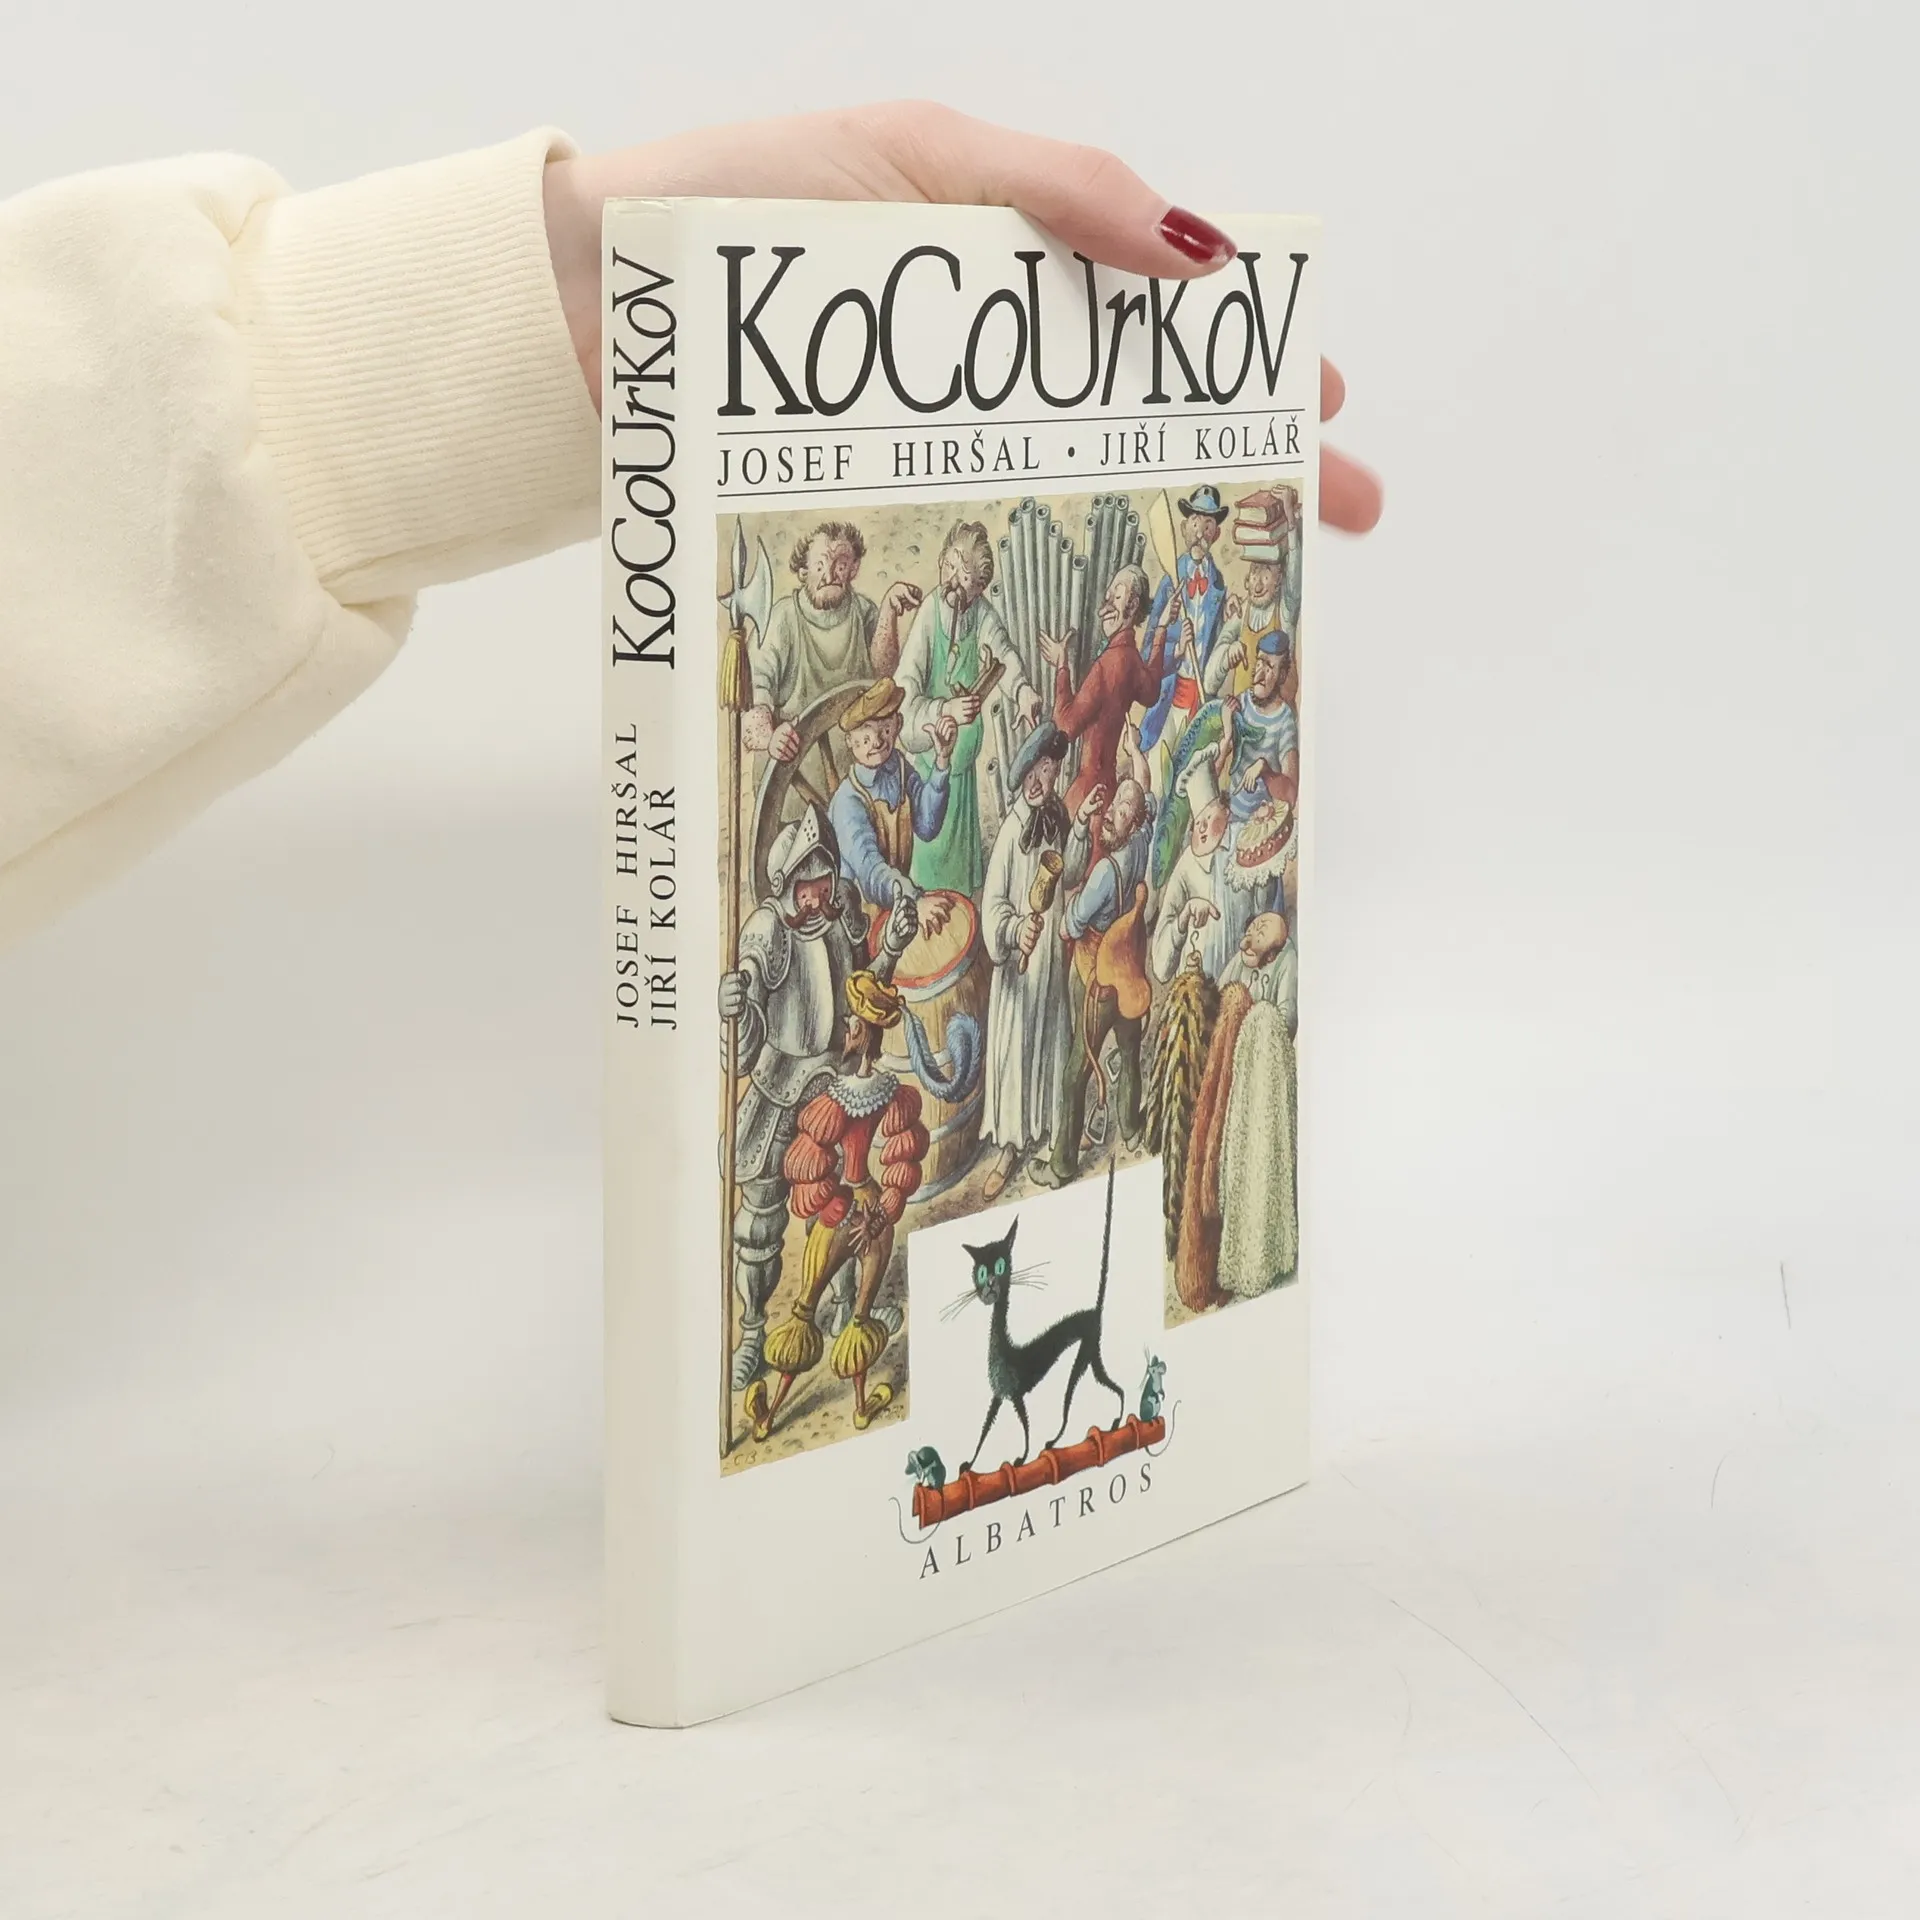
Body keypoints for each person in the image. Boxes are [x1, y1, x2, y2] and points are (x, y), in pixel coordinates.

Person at [0, 105, 1379, 951]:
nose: (854, 567)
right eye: (842, 557)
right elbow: (881, 700)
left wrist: (582, 278)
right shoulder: (881, 665)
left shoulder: (1072, 656)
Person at [717, 807, 916, 1389]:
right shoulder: (766, 931)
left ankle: (841, 1304)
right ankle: (752, 1332)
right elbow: (743, 1040)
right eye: (808, 885)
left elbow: (861, 989)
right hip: (780, 1089)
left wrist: (890, 949)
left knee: (845, 1203)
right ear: (786, 884)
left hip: (835, 1084)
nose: (819, 895)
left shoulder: (842, 909)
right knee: (761, 1219)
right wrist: (735, 1005)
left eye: (824, 881)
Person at [747, 971, 930, 1442]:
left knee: (805, 1309)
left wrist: (833, 1206)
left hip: (842, 1213)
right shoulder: (894, 1093)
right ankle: (861, 1409)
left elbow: (809, 1167)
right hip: (874, 1215)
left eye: (850, 1025)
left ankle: (771, 1415)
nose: (845, 1031)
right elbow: (904, 1157)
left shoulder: (836, 1097)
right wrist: (881, 1213)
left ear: (863, 1034)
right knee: (860, 1317)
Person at [894, 520, 1044, 898]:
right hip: (930, 773)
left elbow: (1004, 653)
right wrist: (945, 710)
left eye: (968, 582)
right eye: (952, 570)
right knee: (929, 873)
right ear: (943, 562)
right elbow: (903, 700)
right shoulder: (929, 616)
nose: (956, 587)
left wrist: (1022, 690)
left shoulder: (980, 613)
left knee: (961, 883)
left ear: (979, 589)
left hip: (963, 779)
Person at [978, 725, 1088, 1199]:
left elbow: (1071, 873)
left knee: (1050, 1038)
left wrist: (1080, 828)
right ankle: (1009, 1146)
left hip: (1050, 962)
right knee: (1018, 1048)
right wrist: (1013, 929)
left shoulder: (1057, 818)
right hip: (1020, 969)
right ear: (1023, 774)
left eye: (1051, 771)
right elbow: (992, 907)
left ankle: (1050, 1126)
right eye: (1037, 771)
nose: (1044, 780)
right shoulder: (1010, 833)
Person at [1057, 729, 1158, 1163]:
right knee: (1130, 1052)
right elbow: (1144, 788)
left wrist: (1069, 902)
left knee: (1076, 1070)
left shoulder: (1104, 874)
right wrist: (1135, 752)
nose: (1112, 814)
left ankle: (1062, 1163)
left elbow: (1069, 926)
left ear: (1132, 823)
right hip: (1129, 970)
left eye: (1121, 812)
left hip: (1097, 978)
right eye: (1115, 805)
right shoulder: (1142, 840)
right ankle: (1131, 1128)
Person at [744, 522, 922, 763]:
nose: (829, 576)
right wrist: (770, 738)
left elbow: (883, 679)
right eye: (819, 566)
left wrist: (889, 611)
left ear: (853, 569)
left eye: (840, 566)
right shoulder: (781, 620)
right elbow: (755, 692)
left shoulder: (865, 612)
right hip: (792, 765)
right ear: (803, 571)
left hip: (857, 765)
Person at [1040, 563, 1171, 857]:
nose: (1104, 609)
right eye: (1107, 597)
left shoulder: (1105, 666)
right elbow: (1151, 691)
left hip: (1087, 795)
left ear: (1132, 605)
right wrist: (1161, 631)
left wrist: (1062, 665)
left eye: (1116, 597)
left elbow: (1065, 725)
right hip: (1109, 788)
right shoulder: (1131, 658)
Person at [826, 678, 958, 934]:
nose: (877, 742)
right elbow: (870, 872)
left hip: (896, 904)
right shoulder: (848, 802)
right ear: (850, 741)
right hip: (856, 919)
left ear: (898, 724)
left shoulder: (898, 767)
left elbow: (927, 826)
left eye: (884, 729)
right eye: (865, 736)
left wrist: (942, 761)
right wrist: (914, 900)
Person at [1139, 485, 1231, 759]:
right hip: (1169, 699)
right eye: (1195, 523)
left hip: (1201, 700)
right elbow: (1148, 652)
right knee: (1159, 768)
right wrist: (1177, 650)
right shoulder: (1170, 583)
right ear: (1183, 529)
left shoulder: (1218, 585)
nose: (1200, 533)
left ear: (1216, 534)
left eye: (1207, 525)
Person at [1212, 627, 1301, 822]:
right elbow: (1212, 772)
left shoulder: (1285, 721)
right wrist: (1227, 736)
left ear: (1282, 676)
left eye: (1269, 667)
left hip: (1262, 825)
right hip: (1230, 819)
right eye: (1259, 662)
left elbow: (1291, 795)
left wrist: (1265, 770)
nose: (1260, 673)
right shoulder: (1241, 703)